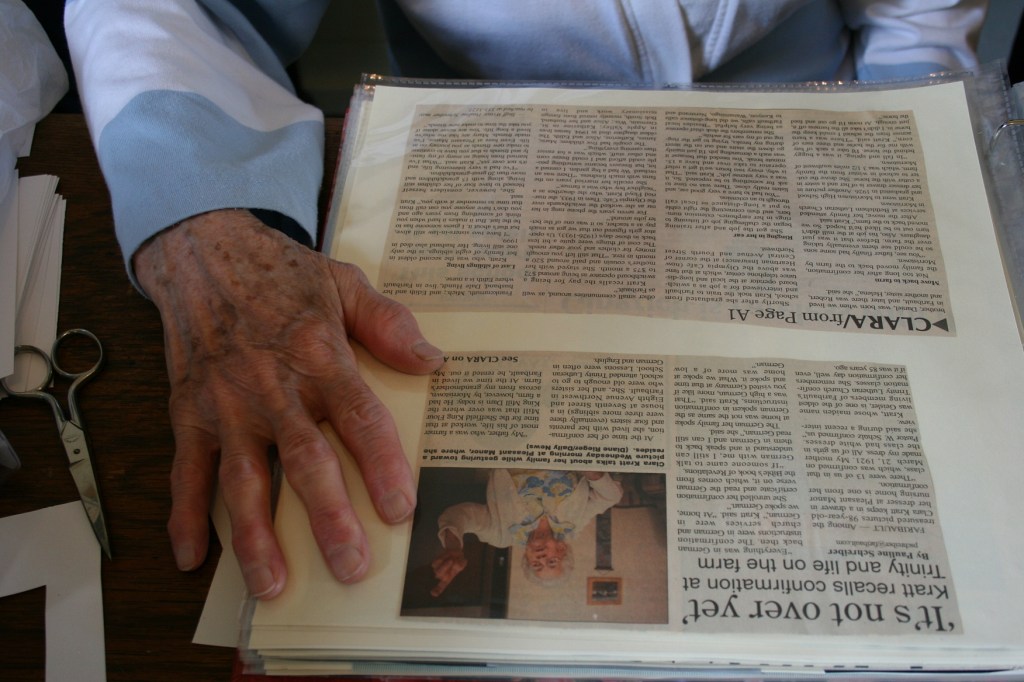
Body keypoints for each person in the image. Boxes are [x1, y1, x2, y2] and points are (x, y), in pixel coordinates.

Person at [62, 0, 986, 600]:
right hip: (476, 149)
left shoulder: (502, 524)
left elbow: (917, 22)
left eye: (540, 556)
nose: (545, 552)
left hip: (807, 121)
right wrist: (201, 225)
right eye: (551, 556)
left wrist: (902, 135)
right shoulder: (575, 520)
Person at [431, 470, 623, 596]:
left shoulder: (501, 535)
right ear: (561, 549)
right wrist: (592, 474)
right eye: (551, 561)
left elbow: (460, 516)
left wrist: (454, 546)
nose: (541, 557)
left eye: (536, 564)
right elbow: (611, 496)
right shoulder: (574, 523)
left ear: (527, 557)